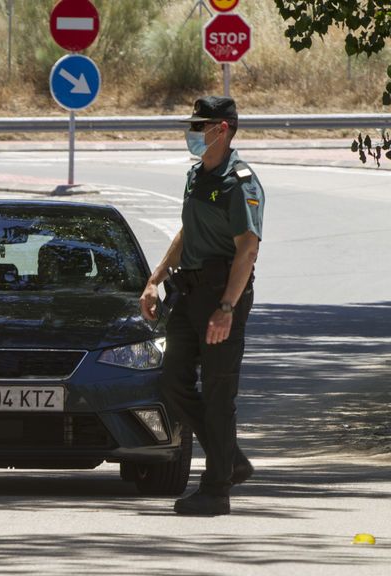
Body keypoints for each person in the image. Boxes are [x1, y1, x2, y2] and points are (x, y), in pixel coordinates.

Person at [139, 95, 264, 516]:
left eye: (200, 126)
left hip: (220, 294)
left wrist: (227, 307)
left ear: (222, 130)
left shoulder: (241, 181)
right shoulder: (197, 175)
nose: (193, 133)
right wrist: (155, 277)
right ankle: (230, 459)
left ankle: (216, 489)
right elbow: (185, 230)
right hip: (188, 293)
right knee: (172, 382)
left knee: (217, 393)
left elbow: (247, 250)